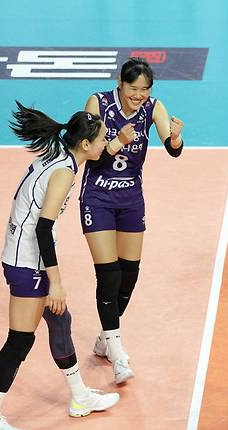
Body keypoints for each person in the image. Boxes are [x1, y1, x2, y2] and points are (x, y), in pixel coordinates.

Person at [0, 102, 119, 430]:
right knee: (20, 340)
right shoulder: (64, 172)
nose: (104, 143)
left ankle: (80, 396)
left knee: (60, 320)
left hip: (25, 257)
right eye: (101, 139)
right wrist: (56, 283)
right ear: (85, 144)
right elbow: (42, 228)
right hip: (26, 263)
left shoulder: (59, 157)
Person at [78, 57, 184, 384]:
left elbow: (173, 148)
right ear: (120, 83)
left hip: (131, 199)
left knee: (129, 275)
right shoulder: (98, 103)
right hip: (98, 195)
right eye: (132, 88)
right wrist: (118, 142)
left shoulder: (153, 107)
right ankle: (118, 353)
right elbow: (90, 153)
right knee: (108, 275)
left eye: (144, 89)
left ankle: (104, 338)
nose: (138, 95)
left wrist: (176, 138)